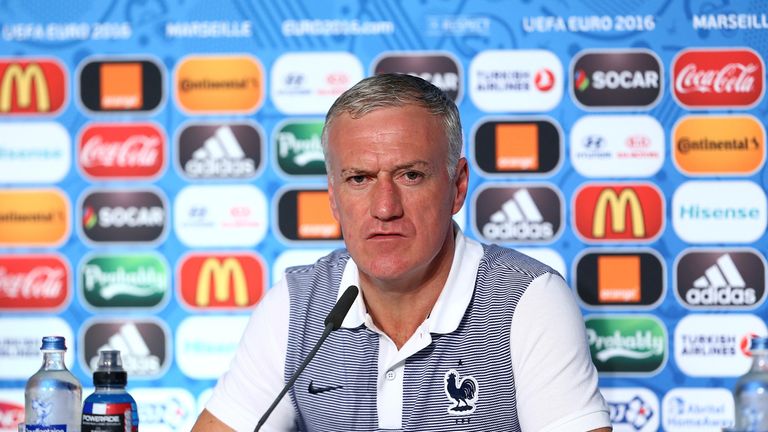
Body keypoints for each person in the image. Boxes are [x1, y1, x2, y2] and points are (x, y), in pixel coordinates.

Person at [192, 73, 612, 431]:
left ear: (457, 186)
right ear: (334, 197)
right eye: (359, 179)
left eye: (411, 175)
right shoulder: (296, 302)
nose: (385, 208)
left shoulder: (528, 299)